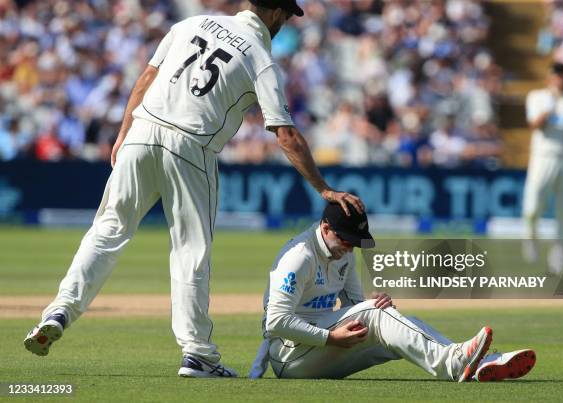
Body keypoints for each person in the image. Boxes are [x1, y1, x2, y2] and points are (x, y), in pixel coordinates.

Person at [23, 0, 365, 379]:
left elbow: (145, 80)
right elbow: (285, 134)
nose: (284, 22)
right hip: (191, 145)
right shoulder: (260, 56)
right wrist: (323, 188)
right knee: (190, 251)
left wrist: (123, 134)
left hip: (142, 131)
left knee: (107, 231)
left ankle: (59, 310)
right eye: (285, 14)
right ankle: (198, 354)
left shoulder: (192, 23)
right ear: (273, 12)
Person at [249, 202, 536, 381]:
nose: (351, 247)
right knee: (378, 316)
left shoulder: (343, 252)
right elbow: (275, 321)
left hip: (315, 350)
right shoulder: (299, 257)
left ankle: (472, 364)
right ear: (325, 228)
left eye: (355, 241)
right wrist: (331, 336)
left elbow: (355, 307)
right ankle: (456, 360)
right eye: (347, 239)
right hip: (289, 357)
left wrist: (371, 307)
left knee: (389, 324)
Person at [522, 62, 563, 274]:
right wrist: (552, 104)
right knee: (533, 205)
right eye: (556, 76)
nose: (560, 80)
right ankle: (530, 237)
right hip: (543, 156)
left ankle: (559, 258)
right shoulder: (537, 96)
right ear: (549, 77)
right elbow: (534, 125)